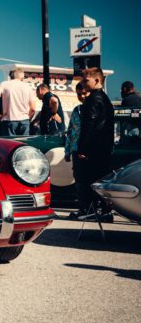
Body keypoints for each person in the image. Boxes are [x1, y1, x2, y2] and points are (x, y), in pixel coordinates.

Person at [75, 67, 115, 221]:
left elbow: (88, 126)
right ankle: (105, 211)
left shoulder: (93, 99)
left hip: (93, 148)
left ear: (97, 80)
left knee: (90, 180)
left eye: (86, 80)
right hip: (104, 147)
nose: (83, 84)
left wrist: (82, 147)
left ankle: (94, 211)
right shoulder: (105, 99)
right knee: (102, 180)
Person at [64, 81, 88, 219]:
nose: (82, 96)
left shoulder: (93, 108)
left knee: (90, 180)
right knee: (79, 180)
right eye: (79, 94)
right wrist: (67, 151)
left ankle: (94, 208)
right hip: (75, 149)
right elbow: (71, 131)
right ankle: (83, 208)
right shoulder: (76, 110)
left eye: (84, 93)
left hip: (88, 150)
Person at [0, 67, 36, 136]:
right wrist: (27, 119)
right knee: (23, 146)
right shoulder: (28, 87)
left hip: (9, 120)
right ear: (22, 77)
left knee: (9, 145)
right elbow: (33, 109)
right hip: (24, 121)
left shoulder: (5, 84)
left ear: (11, 76)